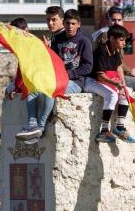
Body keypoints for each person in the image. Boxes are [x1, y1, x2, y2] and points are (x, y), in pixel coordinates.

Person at [17, 8, 92, 142]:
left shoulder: (84, 41)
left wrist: (68, 74)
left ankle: (40, 127)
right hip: (56, 78)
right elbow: (51, 63)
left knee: (50, 91)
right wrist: (47, 50)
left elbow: (87, 67)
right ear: (64, 23)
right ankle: (32, 124)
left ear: (78, 24)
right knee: (32, 89)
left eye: (73, 24)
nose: (69, 26)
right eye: (68, 23)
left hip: (75, 81)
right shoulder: (57, 40)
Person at [85, 25, 135, 143]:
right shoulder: (102, 50)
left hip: (103, 81)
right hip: (91, 82)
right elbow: (100, 76)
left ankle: (119, 127)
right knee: (112, 95)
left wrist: (122, 85)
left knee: (126, 92)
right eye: (121, 40)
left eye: (125, 40)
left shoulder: (115, 50)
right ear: (112, 38)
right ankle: (103, 132)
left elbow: (119, 68)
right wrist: (116, 84)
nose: (124, 43)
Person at [91, 6, 135, 95]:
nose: (117, 23)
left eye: (119, 20)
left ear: (123, 21)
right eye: (114, 20)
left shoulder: (118, 34)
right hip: (106, 76)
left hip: (113, 72)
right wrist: (129, 71)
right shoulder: (105, 36)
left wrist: (128, 71)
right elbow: (108, 61)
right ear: (108, 20)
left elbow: (117, 61)